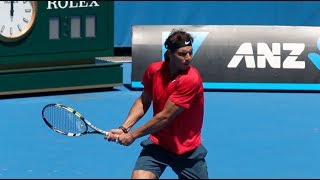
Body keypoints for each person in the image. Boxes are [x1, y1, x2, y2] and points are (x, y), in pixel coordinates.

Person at [105, 29, 208, 179]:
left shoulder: (191, 79)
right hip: (159, 144)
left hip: (187, 149)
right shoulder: (154, 70)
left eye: (190, 52)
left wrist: (133, 135)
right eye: (182, 54)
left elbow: (165, 117)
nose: (188, 58)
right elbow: (144, 101)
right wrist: (124, 128)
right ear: (170, 54)